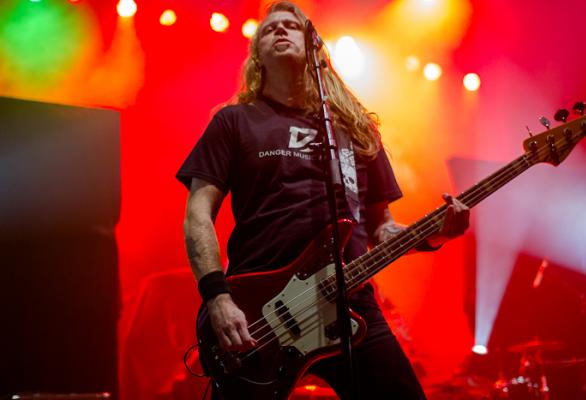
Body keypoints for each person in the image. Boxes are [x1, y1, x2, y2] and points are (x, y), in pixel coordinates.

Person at [176, 2, 470, 399]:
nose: (280, 31)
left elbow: (383, 228)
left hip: (350, 301)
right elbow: (197, 214)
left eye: (291, 26)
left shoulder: (355, 129)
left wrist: (436, 235)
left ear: (314, 48)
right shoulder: (234, 121)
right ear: (257, 54)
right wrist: (217, 295)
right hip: (258, 309)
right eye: (269, 29)